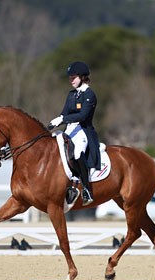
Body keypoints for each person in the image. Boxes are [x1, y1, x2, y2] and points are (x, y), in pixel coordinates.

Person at [49, 61, 101, 206]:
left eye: (74, 77)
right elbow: (64, 113)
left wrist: (62, 119)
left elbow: (82, 116)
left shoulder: (90, 95)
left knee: (77, 153)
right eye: (70, 77)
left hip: (83, 130)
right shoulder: (71, 95)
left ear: (82, 77)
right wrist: (56, 123)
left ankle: (86, 189)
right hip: (70, 129)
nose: (71, 80)